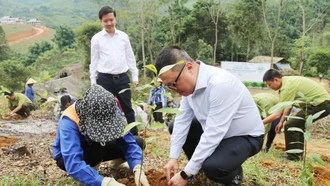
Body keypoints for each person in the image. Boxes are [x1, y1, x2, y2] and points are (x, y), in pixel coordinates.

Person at [155, 46, 264, 186]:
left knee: (214, 166)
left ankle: (233, 176)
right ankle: (200, 168)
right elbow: (183, 120)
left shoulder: (220, 84)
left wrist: (185, 174)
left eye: (174, 84)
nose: (174, 90)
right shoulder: (189, 89)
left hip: (244, 136)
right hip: (216, 132)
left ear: (189, 67)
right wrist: (173, 157)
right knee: (175, 125)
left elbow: (214, 133)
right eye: (169, 86)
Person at [52, 85, 150, 186]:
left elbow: (128, 142)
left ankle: (115, 164)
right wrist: (103, 182)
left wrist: (137, 166)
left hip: (99, 147)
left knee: (138, 142)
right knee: (97, 146)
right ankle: (88, 174)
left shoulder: (109, 108)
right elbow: (72, 161)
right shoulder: (69, 120)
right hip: (70, 156)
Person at [90, 6, 139, 135]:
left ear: (115, 19)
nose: (109, 23)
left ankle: (134, 136)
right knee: (106, 109)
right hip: (104, 79)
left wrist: (135, 77)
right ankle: (109, 137)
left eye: (111, 20)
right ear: (101, 21)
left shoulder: (123, 36)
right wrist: (93, 82)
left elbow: (130, 57)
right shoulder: (96, 39)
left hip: (122, 78)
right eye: (106, 21)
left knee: (128, 108)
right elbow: (94, 61)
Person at [263, 69, 330, 161]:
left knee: (291, 125)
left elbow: (277, 114)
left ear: (276, 80)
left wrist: (261, 123)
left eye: (270, 84)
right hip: (320, 104)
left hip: (320, 105)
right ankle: (297, 155)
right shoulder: (288, 82)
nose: (270, 87)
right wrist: (281, 122)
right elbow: (287, 106)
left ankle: (294, 157)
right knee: (294, 124)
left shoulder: (287, 87)